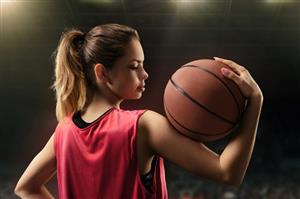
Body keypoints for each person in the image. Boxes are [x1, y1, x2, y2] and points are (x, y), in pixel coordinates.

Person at [14, 24, 263, 199]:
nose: (145, 74)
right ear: (102, 73)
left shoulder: (64, 130)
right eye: (134, 66)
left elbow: (25, 188)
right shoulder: (143, 125)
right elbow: (227, 171)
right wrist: (255, 101)